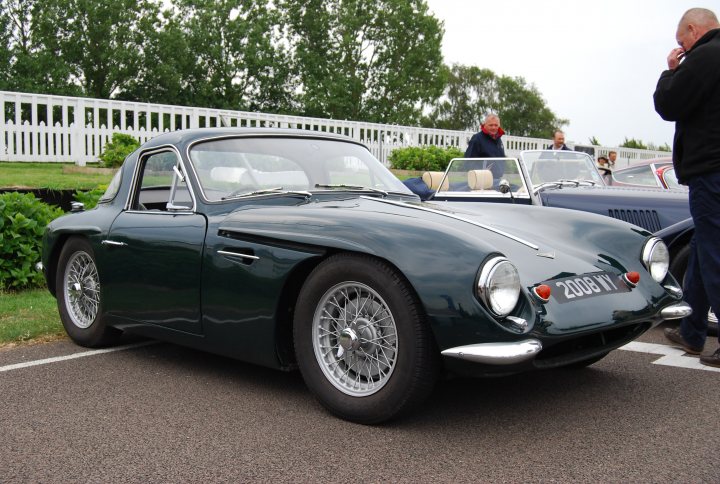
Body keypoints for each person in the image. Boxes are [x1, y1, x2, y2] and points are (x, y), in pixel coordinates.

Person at [653, 7, 720, 367]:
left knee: (713, 254)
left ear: (693, 31)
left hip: (710, 170)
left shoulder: (706, 55)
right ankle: (693, 331)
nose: (683, 47)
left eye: (683, 42)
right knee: (700, 249)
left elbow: (669, 104)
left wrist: (670, 70)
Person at [464, 114, 506, 180]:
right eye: (491, 125)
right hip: (481, 180)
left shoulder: (498, 139)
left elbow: (502, 159)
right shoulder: (477, 139)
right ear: (485, 125)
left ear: (499, 126)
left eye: (496, 125)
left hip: (497, 179)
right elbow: (468, 162)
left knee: (516, 188)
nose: (493, 127)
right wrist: (482, 174)